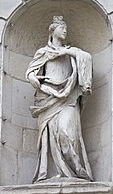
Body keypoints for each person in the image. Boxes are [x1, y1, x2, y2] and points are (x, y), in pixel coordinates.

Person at [26, 16, 93, 183]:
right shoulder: (43, 52)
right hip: (48, 100)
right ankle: (53, 173)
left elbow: (87, 58)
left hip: (68, 99)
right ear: (53, 29)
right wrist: (34, 79)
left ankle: (77, 173)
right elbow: (30, 73)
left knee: (66, 132)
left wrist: (67, 51)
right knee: (50, 136)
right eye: (62, 27)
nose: (65, 30)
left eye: (66, 28)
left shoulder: (72, 52)